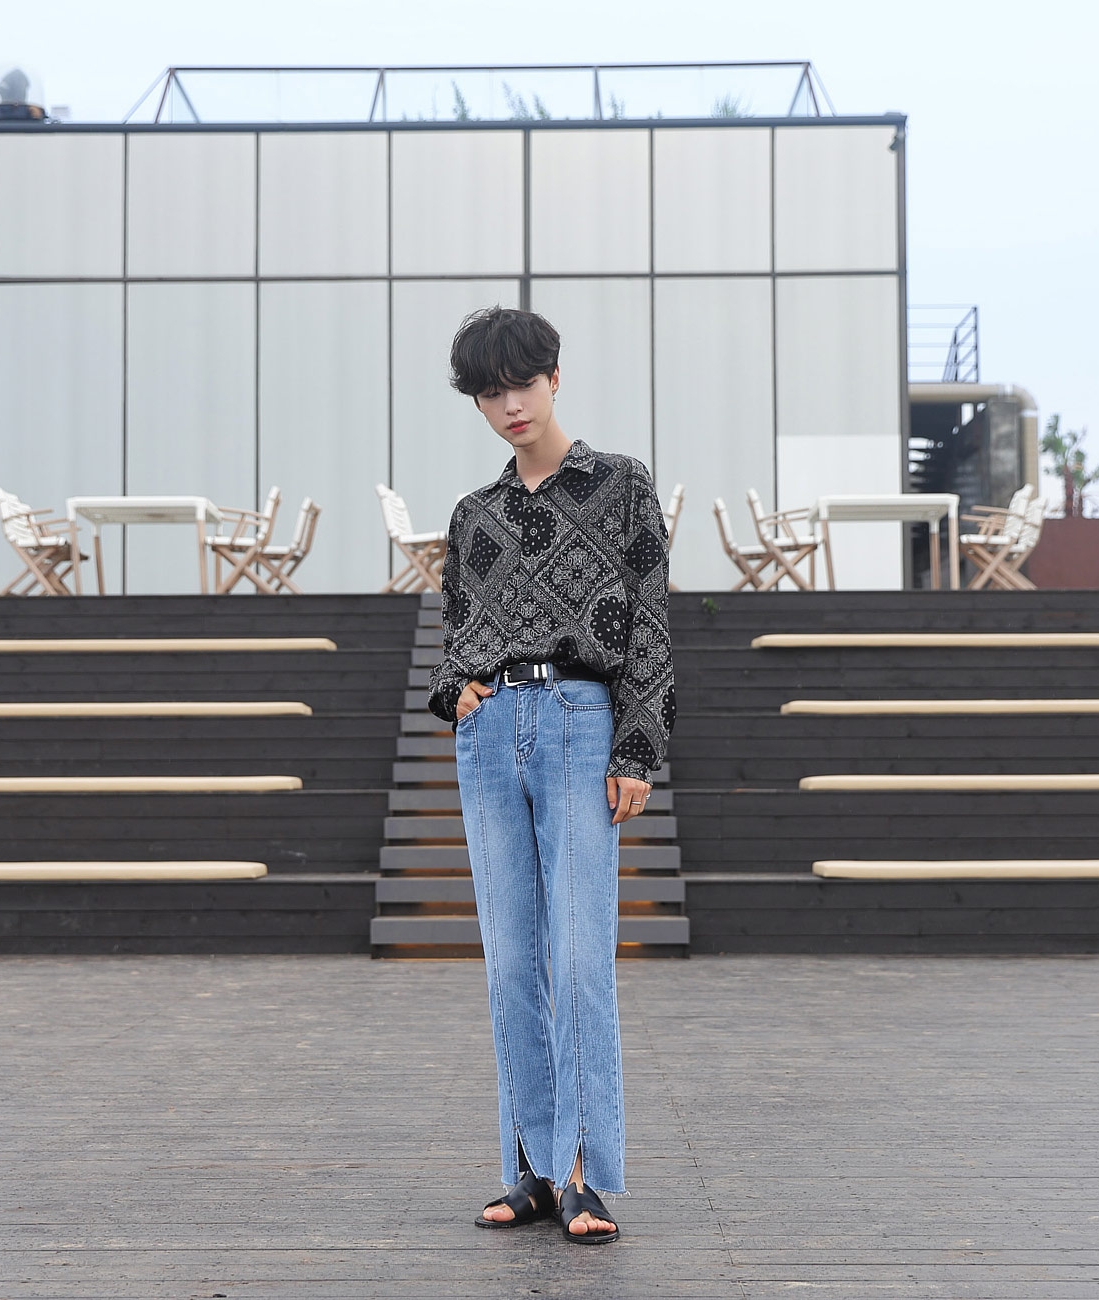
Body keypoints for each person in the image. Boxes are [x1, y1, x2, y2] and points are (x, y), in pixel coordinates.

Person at [428, 306, 675, 1244]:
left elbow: (650, 624)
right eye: (490, 393)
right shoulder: (474, 515)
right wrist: (455, 692)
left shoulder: (620, 486)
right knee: (510, 961)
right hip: (491, 733)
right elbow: (459, 632)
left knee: (577, 958)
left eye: (523, 385)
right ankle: (530, 1168)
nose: (510, 406)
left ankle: (581, 1172)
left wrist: (637, 749)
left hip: (580, 721)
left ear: (555, 378)